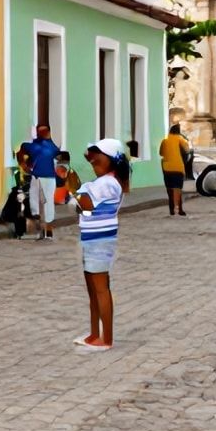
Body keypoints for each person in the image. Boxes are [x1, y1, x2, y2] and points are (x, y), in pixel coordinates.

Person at [72, 138, 131, 350]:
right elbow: (84, 209)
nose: (93, 159)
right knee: (93, 290)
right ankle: (94, 334)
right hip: (93, 238)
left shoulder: (107, 183)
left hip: (99, 241)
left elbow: (82, 203)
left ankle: (105, 338)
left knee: (100, 289)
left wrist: (71, 182)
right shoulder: (105, 181)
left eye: (99, 155)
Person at [21, 123, 60, 240]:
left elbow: (58, 157)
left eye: (44, 131)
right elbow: (22, 149)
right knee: (35, 203)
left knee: (48, 203)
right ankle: (40, 229)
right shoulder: (34, 146)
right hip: (37, 177)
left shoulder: (52, 147)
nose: (41, 134)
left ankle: (48, 230)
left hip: (49, 178)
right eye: (40, 131)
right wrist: (24, 165)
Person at [158, 124, 191, 216]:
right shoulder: (181, 140)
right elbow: (187, 151)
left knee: (169, 189)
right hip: (178, 168)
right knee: (178, 189)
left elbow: (161, 153)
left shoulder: (165, 141)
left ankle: (171, 209)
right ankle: (180, 209)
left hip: (167, 168)